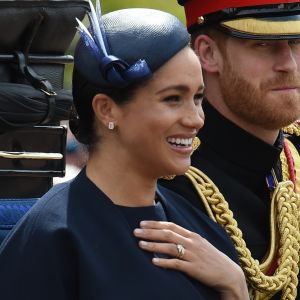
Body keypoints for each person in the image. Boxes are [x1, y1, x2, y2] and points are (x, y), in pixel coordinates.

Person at [0, 2, 249, 300]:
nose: (195, 118)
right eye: (173, 98)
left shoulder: (200, 229)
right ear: (107, 109)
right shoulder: (52, 237)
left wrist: (235, 286)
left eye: (197, 98)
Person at [159, 0, 300, 299]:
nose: (289, 63)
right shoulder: (168, 185)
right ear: (207, 53)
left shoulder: (294, 153)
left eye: (297, 41)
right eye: (262, 43)